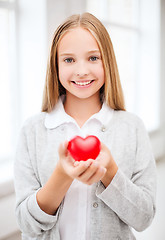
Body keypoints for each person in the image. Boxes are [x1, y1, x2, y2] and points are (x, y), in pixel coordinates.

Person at [14, 12, 157, 240]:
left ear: (107, 61)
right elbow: (26, 224)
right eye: (69, 60)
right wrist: (61, 174)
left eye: (93, 58)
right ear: (56, 65)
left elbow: (144, 218)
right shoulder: (32, 131)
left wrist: (110, 172)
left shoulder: (133, 128)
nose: (81, 70)